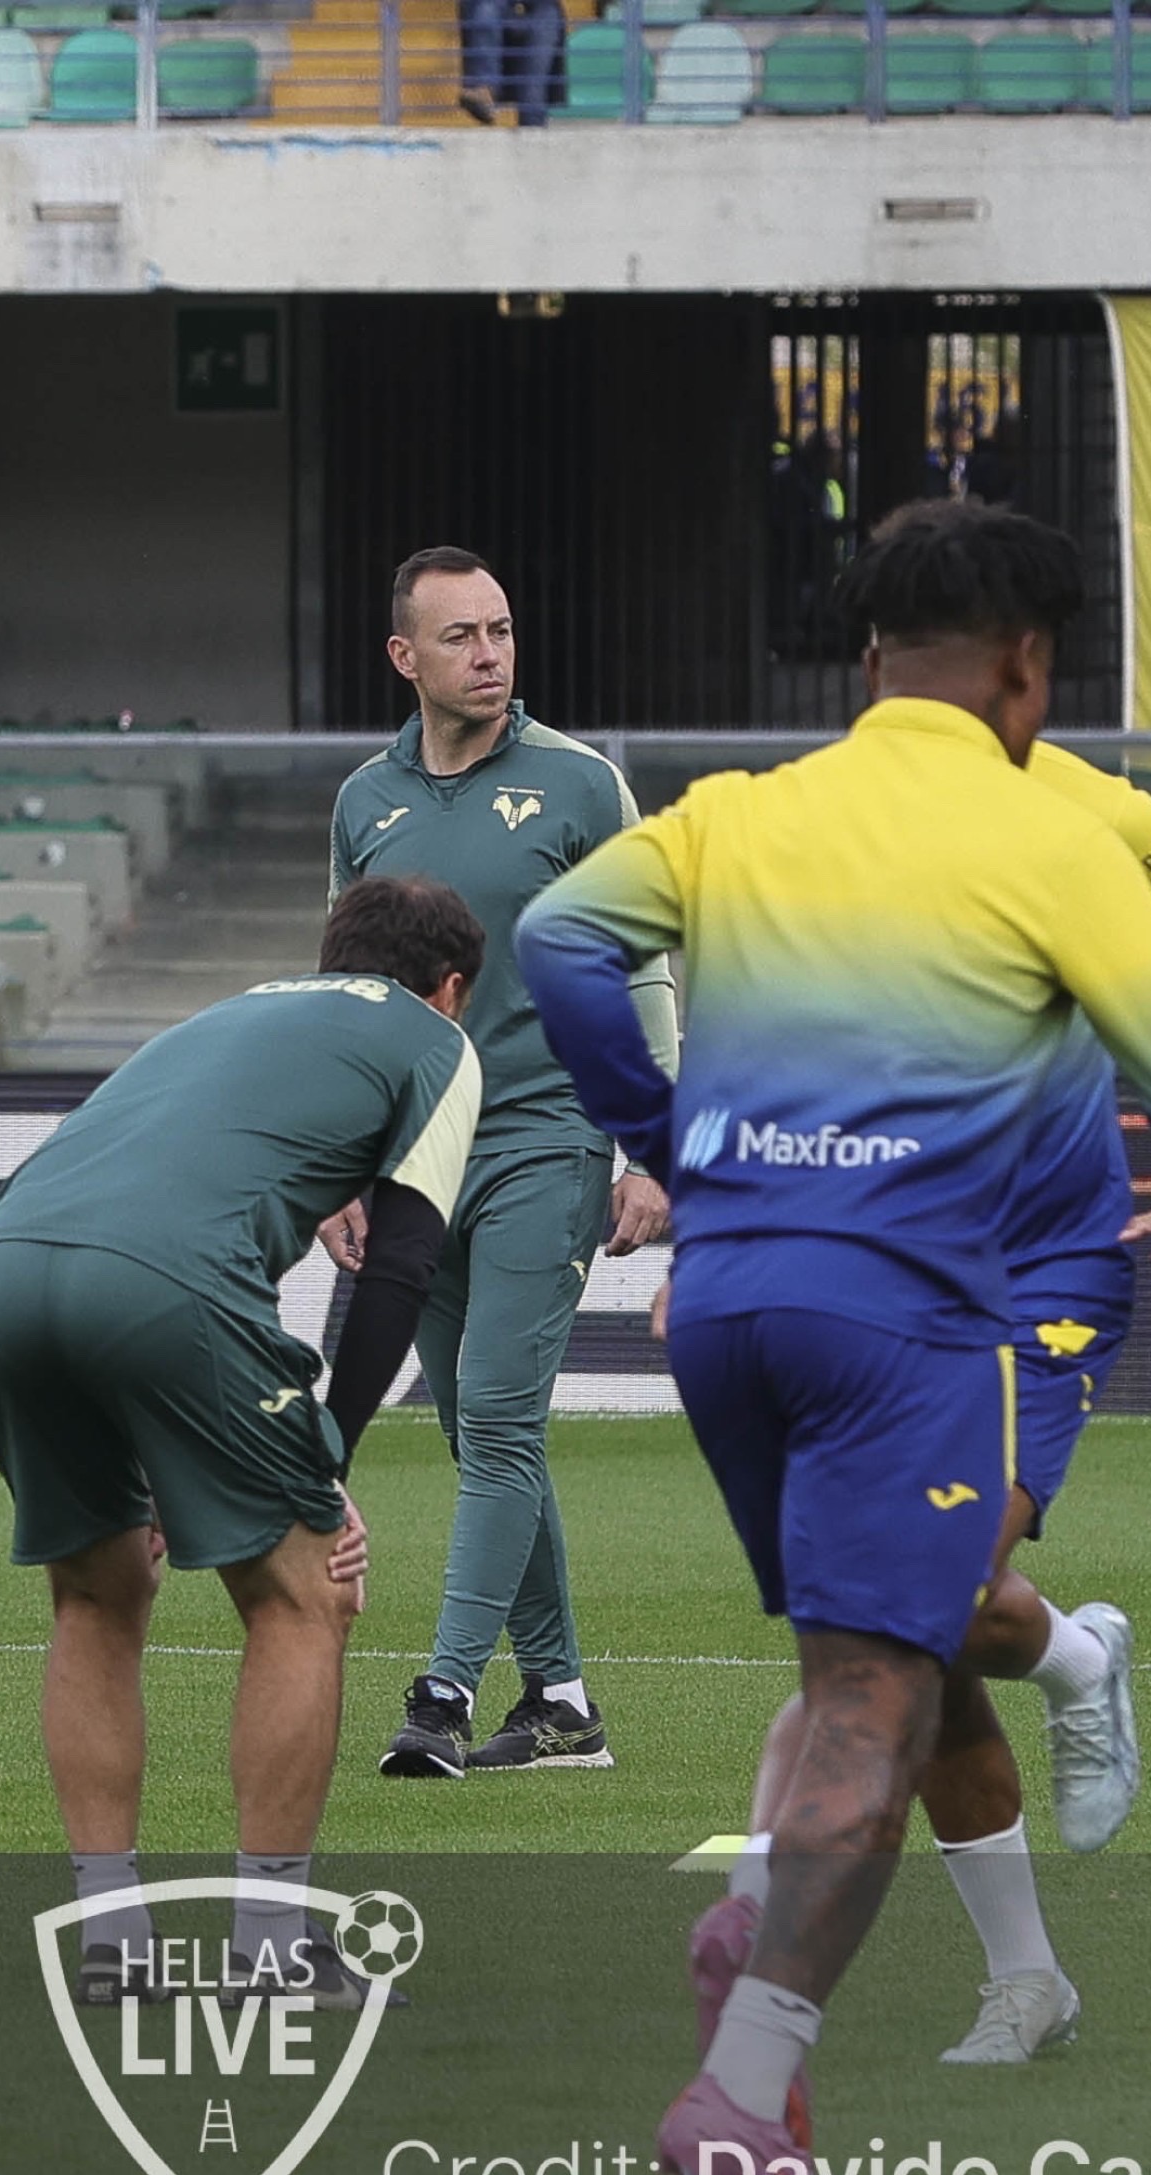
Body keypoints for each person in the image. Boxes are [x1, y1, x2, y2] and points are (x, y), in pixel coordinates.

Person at [519, 497, 1151, 2175]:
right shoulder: (1055, 835)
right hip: (906, 1312)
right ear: (1027, 670)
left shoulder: (738, 813)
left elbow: (560, 944)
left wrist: (666, 1131)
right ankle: (745, 2068)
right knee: (879, 1695)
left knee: (880, 1655)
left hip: (726, 1304)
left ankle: (786, 1977)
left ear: (867, 660)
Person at [696, 751, 1151, 2075]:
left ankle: (754, 1922)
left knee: (908, 1595)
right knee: (909, 1627)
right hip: (876, 1270)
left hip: (1045, 1271)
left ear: (1018, 675)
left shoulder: (1106, 822)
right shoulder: (810, 820)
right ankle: (1030, 1968)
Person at [0, 875, 488, 2001]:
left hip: (3, 1266)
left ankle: (107, 1946)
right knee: (307, 1594)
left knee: (97, 1595)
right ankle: (273, 1941)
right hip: (162, 1286)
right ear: (451, 989)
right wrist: (328, 1462)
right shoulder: (436, 1047)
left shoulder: (236, 1006)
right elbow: (400, 1267)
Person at [328, 547, 673, 1780]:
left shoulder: (583, 786)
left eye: (503, 629)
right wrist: (341, 1168)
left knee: (503, 1417)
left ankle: (442, 1695)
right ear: (405, 657)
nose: (491, 652)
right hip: (424, 1153)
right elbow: (350, 998)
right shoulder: (365, 799)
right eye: (463, 635)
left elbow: (643, 964)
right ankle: (566, 1703)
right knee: (479, 1431)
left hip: (551, 1133)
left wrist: (645, 1145)